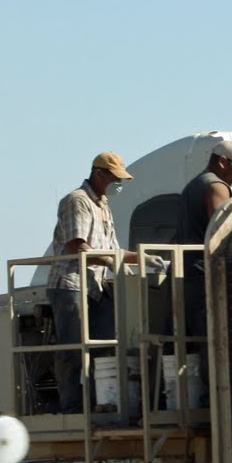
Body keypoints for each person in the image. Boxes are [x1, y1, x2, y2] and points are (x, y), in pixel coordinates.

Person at [48, 151, 154, 414]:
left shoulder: (102, 205)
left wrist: (144, 259)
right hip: (70, 284)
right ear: (99, 174)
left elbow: (113, 250)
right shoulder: (78, 201)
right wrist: (109, 263)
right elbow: (77, 246)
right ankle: (72, 405)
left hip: (93, 285)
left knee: (104, 344)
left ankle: (101, 400)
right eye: (114, 178)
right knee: (73, 347)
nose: (118, 185)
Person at [173, 140, 232, 408]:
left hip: (189, 272)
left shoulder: (191, 186)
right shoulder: (215, 187)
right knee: (216, 336)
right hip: (205, 274)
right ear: (221, 162)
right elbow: (223, 232)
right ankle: (219, 397)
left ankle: (212, 395)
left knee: (203, 336)